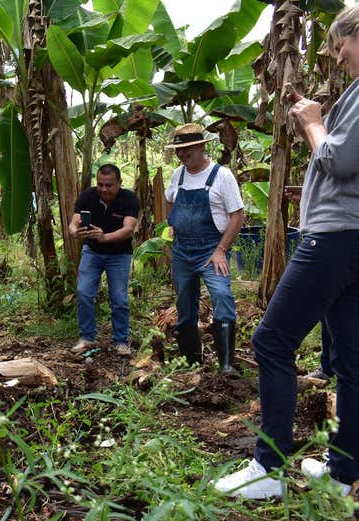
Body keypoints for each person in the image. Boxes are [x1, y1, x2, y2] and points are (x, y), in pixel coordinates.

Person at [213, 4, 359, 499]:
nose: (338, 55)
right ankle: (342, 476)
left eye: (343, 43)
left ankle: (268, 469)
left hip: (335, 238)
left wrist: (315, 122)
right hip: (353, 236)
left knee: (272, 342)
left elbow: (338, 160)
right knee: (351, 360)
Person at [164, 123, 244, 376]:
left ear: (200, 146)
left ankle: (227, 364)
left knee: (222, 296)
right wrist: (174, 224)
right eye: (178, 150)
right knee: (185, 303)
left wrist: (221, 249)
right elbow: (170, 202)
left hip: (212, 250)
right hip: (182, 251)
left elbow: (237, 216)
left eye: (186, 149)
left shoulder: (222, 176)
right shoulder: (179, 175)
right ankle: (191, 363)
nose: (182, 154)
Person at [69, 163, 139, 356]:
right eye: (100, 184)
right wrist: (76, 232)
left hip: (119, 255)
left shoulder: (129, 199)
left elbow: (128, 229)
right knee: (84, 292)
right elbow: (73, 224)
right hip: (92, 252)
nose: (103, 189)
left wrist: (104, 237)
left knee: (119, 299)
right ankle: (87, 338)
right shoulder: (88, 196)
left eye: (109, 185)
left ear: (119, 184)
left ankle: (121, 341)